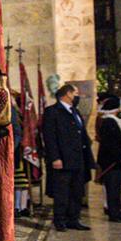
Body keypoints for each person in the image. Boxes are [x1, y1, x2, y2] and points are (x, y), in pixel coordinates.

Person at [42, 82, 92, 231]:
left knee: (77, 191)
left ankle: (73, 219)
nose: (78, 97)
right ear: (67, 94)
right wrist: (55, 157)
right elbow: (50, 137)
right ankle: (60, 220)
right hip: (62, 159)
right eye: (75, 93)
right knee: (62, 192)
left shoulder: (74, 112)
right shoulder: (52, 112)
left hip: (78, 159)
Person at [95, 94, 121, 222]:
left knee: (116, 187)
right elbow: (110, 143)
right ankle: (114, 214)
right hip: (110, 161)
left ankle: (116, 210)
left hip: (116, 160)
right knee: (112, 188)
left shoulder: (114, 121)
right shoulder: (109, 121)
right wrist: (120, 154)